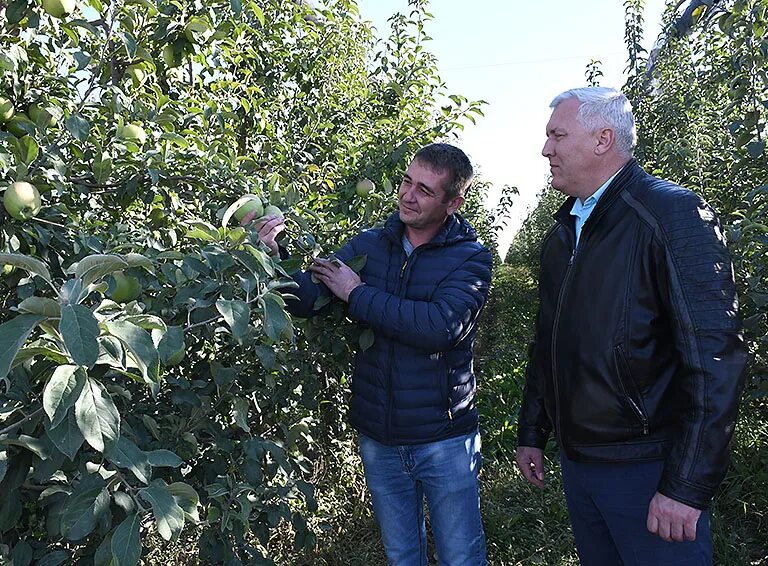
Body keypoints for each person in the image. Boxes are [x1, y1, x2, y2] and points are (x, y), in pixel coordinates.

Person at [515, 87, 747, 565]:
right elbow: (550, 344)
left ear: (603, 139)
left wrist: (685, 484)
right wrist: (532, 430)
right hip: (580, 466)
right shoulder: (564, 234)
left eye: (557, 135)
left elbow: (715, 358)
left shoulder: (670, 215)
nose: (546, 149)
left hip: (648, 471)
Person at [248, 143, 492, 565]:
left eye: (425, 190)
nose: (408, 195)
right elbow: (310, 298)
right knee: (401, 555)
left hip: (444, 438)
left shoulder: (470, 258)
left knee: (461, 555)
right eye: (406, 181)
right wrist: (274, 255)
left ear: (453, 202)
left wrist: (358, 294)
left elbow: (441, 327)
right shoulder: (371, 245)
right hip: (379, 433)